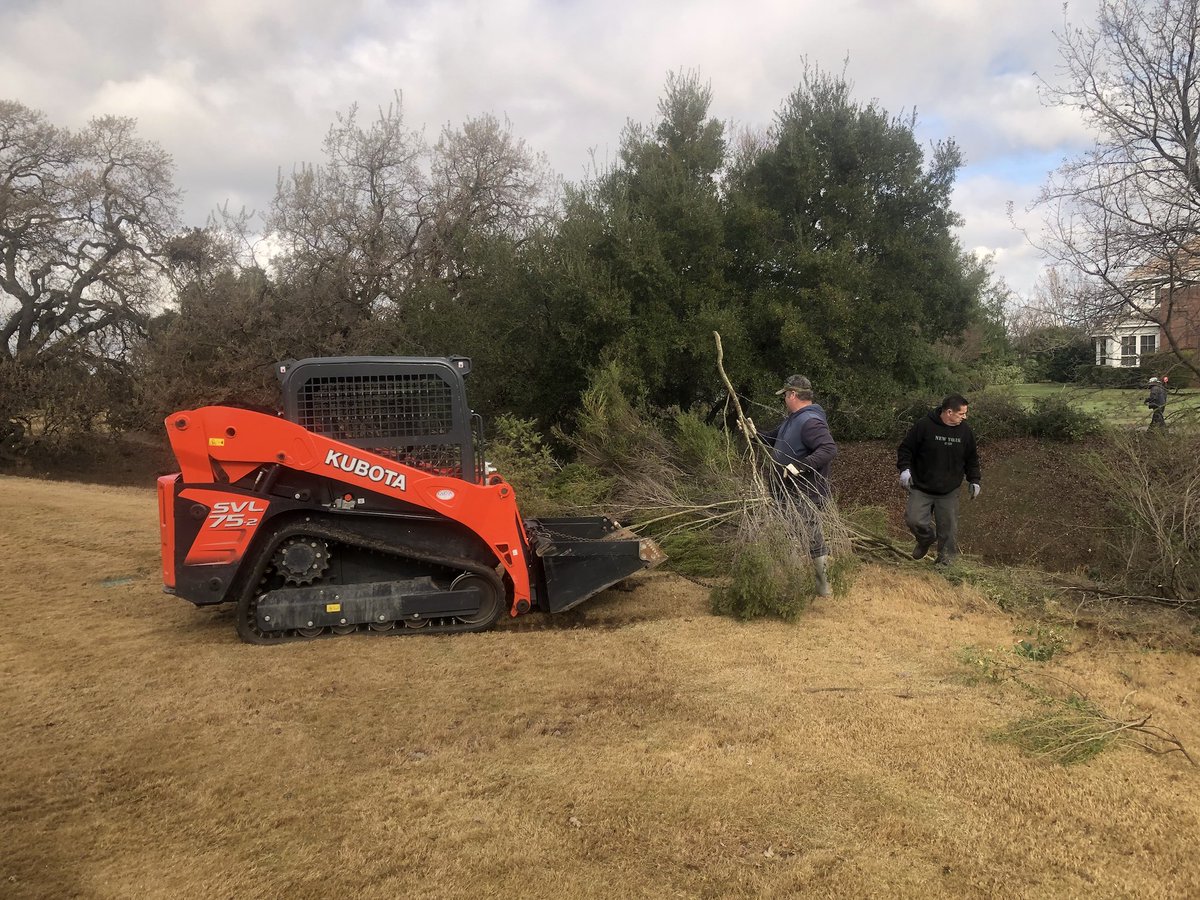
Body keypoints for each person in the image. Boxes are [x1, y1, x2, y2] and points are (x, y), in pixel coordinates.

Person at [751, 375, 839, 596]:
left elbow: (828, 449)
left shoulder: (810, 421)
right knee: (790, 535)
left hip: (804, 493)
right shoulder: (793, 419)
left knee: (806, 535)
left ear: (792, 395)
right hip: (785, 493)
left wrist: (797, 467)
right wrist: (752, 432)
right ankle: (798, 584)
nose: (784, 400)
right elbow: (771, 438)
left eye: (785, 396)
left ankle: (821, 586)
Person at [896, 394, 981, 567]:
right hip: (922, 486)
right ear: (949, 412)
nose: (965, 417)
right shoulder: (924, 426)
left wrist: (974, 480)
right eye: (962, 413)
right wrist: (904, 469)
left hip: (949, 489)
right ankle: (926, 539)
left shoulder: (965, 431)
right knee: (914, 520)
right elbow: (905, 449)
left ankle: (945, 563)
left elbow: (972, 458)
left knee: (948, 529)